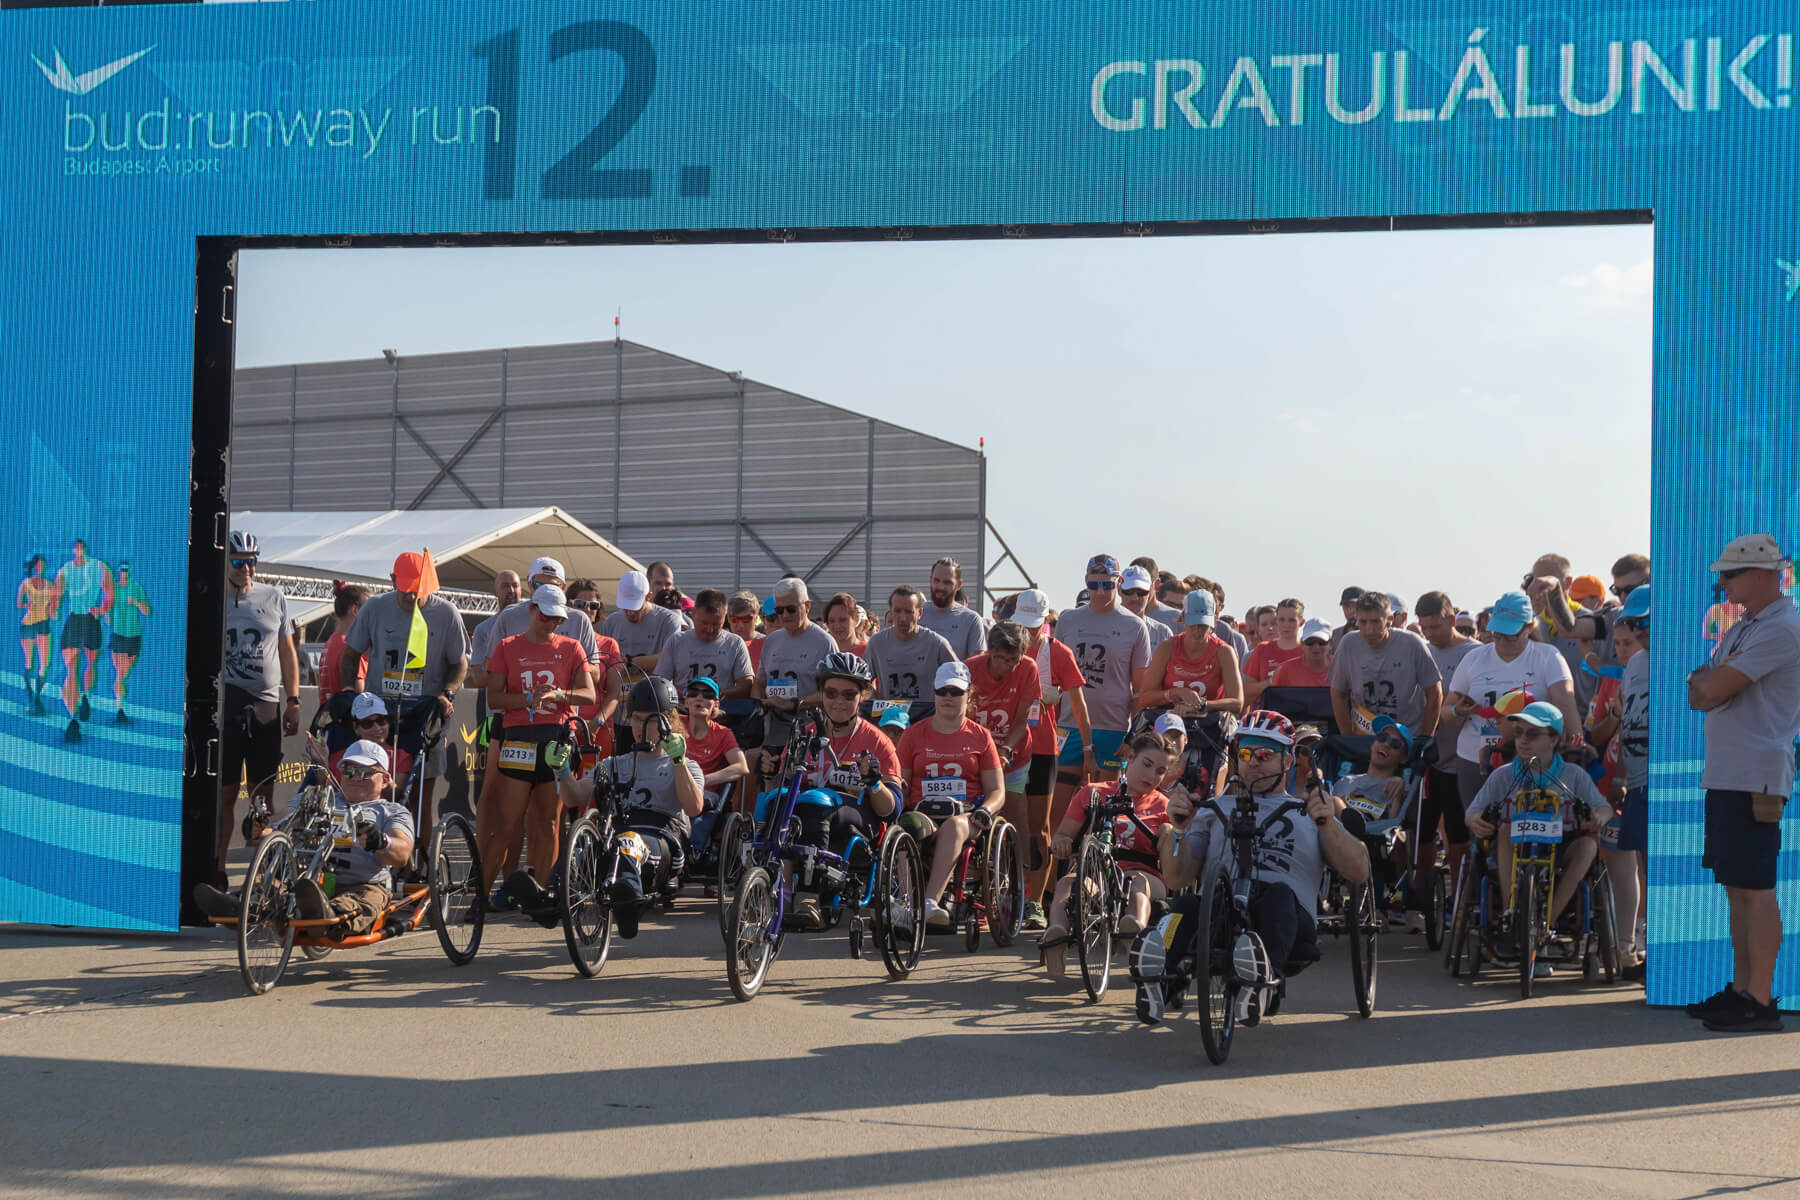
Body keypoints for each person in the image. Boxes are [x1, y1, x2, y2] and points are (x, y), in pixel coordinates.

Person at [1132, 709, 1371, 1025]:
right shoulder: (1212, 808)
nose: (1253, 761)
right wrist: (1178, 830)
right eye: (1245, 753)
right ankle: (1159, 979)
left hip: (1286, 920)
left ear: (1287, 761)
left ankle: (1258, 981)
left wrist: (1329, 826)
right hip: (1222, 913)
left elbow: (1360, 871)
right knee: (1188, 903)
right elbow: (1177, 877)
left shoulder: (1308, 810)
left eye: (1265, 754)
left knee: (1279, 897)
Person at [1684, 534, 1800, 1032]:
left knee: (1755, 888)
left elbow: (1707, 687)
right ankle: (1742, 988)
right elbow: (1700, 688)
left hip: (1755, 772)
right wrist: (1706, 683)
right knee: (1737, 886)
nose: (1722, 581)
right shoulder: (1749, 626)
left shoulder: (1781, 628)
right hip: (1734, 771)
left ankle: (1760, 995)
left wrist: (1708, 682)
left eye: (1730, 573)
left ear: (1761, 575)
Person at [195, 740, 418, 935]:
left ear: (386, 779)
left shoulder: (392, 811)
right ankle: (244, 906)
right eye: (349, 771)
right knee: (275, 889)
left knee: (353, 904)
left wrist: (381, 841)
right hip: (308, 882)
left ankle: (323, 914)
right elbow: (278, 826)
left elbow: (403, 852)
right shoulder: (316, 797)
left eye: (366, 772)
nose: (356, 777)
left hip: (363, 884)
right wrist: (258, 830)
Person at [759, 651, 903, 928]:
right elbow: (782, 791)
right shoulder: (805, 736)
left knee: (815, 803)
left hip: (858, 819)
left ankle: (808, 896)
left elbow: (892, 811)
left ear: (863, 696)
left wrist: (874, 783)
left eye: (849, 695)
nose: (839, 701)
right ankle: (777, 886)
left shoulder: (879, 741)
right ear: (821, 693)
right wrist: (769, 775)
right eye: (832, 692)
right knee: (781, 802)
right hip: (807, 817)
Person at [1464, 703, 1613, 965]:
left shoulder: (1573, 775)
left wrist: (1598, 816)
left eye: (1532, 735)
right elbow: (1472, 811)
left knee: (1588, 847)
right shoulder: (1503, 775)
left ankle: (1548, 923)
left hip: (1560, 849)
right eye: (1519, 733)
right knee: (1506, 827)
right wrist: (1476, 821)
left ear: (1554, 739)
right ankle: (1512, 915)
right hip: (1513, 849)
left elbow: (1604, 807)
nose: (1522, 740)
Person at [479, 584, 596, 905]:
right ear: (532, 610)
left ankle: (541, 893)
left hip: (556, 739)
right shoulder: (507, 646)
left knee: (549, 822)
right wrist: (529, 698)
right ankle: (482, 895)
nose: (551, 624)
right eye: (546, 616)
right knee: (506, 824)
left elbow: (589, 695)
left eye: (557, 619)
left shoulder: (572, 648)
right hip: (518, 739)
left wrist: (559, 694)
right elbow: (494, 697)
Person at [343, 551, 471, 843]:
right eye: (406, 591)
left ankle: (418, 866)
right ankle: (374, 857)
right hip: (380, 718)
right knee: (376, 792)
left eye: (419, 591)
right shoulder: (375, 607)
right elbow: (351, 655)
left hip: (426, 716)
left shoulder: (446, 613)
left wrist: (447, 693)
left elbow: (460, 662)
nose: (413, 598)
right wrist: (352, 692)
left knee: (419, 799)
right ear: (392, 581)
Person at [580, 676, 705, 937]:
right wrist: (561, 773)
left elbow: (693, 808)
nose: (641, 727)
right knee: (584, 842)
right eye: (636, 719)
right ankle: (549, 894)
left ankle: (629, 903)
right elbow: (574, 796)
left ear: (668, 723)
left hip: (663, 844)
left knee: (628, 842)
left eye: (649, 720)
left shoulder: (687, 765)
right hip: (619, 839)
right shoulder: (614, 764)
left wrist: (678, 762)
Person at [1040, 733, 1174, 976]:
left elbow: (1174, 853)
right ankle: (1056, 936)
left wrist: (1168, 833)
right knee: (1068, 884)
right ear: (1130, 758)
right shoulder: (1093, 792)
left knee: (1135, 883)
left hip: (1143, 872)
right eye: (1147, 764)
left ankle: (1135, 933)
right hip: (1096, 870)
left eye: (1160, 771)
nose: (1152, 776)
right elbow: (1063, 835)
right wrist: (1061, 843)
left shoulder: (1163, 805)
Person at [214, 530, 300, 878]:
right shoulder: (216, 597)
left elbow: (288, 652)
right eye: (238, 562)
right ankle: (217, 867)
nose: (245, 569)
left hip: (266, 702)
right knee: (225, 794)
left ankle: (263, 872)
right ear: (227, 563)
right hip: (231, 699)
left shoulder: (274, 596)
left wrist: (293, 700)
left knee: (262, 794)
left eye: (251, 562)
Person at [896, 661, 1006, 928]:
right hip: (924, 811)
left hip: (967, 815)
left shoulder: (981, 736)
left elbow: (997, 791)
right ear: (934, 692)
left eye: (955, 692)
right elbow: (902, 784)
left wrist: (986, 810)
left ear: (968, 695)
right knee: (905, 827)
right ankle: (905, 902)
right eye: (942, 690)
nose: (948, 697)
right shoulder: (913, 734)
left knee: (955, 827)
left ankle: (929, 903)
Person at [1445, 590, 1581, 804]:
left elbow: (1566, 704)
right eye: (1497, 633)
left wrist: (1573, 745)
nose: (1502, 641)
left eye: (1510, 634)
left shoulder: (1548, 656)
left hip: (1530, 761)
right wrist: (1457, 711)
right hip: (1474, 759)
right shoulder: (1474, 658)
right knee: (1478, 827)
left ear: (1529, 628)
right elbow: (1446, 712)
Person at [1052, 554, 1153, 822]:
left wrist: (1131, 737)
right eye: (1093, 585)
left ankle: (1095, 861)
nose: (1099, 592)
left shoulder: (1134, 625)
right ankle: (1057, 862)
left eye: (1107, 585)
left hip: (1112, 728)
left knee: (1103, 814)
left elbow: (1141, 692)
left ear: (1118, 583)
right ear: (1085, 583)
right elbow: (1053, 675)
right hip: (1069, 725)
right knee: (1059, 812)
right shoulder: (1068, 620)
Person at [1013, 588, 1087, 931]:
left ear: (1045, 622)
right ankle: (1007, 892)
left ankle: (1034, 901)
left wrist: (1088, 747)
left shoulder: (1058, 652)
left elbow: (1078, 701)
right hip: (1009, 745)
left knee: (1040, 826)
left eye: (1033, 626)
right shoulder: (1005, 645)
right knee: (1008, 822)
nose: (1027, 633)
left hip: (1043, 746)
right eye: (1022, 625)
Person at [1414, 591, 1479, 906]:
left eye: (1434, 627)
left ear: (1452, 621)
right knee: (1421, 833)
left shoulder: (1477, 653)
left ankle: (1460, 897)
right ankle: (1421, 895)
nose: (1428, 634)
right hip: (1427, 758)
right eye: (1423, 628)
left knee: (1458, 837)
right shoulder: (1422, 651)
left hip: (1462, 759)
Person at [966, 621, 1041, 865]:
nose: (1006, 666)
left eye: (1013, 660)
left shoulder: (1028, 669)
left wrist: (1005, 750)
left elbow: (1021, 721)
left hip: (1013, 752)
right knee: (974, 814)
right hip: (976, 752)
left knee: (1016, 813)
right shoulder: (969, 669)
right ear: (989, 651)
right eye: (999, 658)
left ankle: (1024, 880)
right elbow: (964, 720)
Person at [1606, 585, 1650, 983]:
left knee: (1657, 864)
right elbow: (1625, 722)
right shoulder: (1635, 664)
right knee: (1642, 862)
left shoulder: (1677, 660)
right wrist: (1620, 776)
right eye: (1635, 622)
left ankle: (1654, 945)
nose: (1640, 630)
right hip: (1635, 779)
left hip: (1664, 782)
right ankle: (1644, 943)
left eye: (1646, 621)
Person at [1328, 590, 1442, 743]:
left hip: (1406, 739)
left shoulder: (1412, 643)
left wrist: (1424, 739)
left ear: (1389, 619)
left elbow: (1435, 693)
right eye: (1363, 622)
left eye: (1375, 622)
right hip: (1364, 739)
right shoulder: (1348, 644)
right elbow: (1337, 693)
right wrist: (1348, 738)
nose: (1369, 629)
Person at [754, 576, 836, 768]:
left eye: (791, 609)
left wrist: (794, 703)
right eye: (779, 610)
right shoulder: (772, 640)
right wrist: (759, 705)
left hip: (807, 727)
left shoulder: (824, 642)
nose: (785, 615)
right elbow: (760, 683)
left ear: (807, 606)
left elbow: (832, 692)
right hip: (772, 728)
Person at [1135, 588, 1244, 722]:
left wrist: (1201, 706)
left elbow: (1237, 703)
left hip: (1207, 729)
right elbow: (1145, 698)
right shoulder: (1168, 648)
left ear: (1215, 620)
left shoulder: (1224, 652)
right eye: (1193, 623)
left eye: (1203, 624)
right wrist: (1174, 693)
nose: (1198, 630)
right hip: (1169, 726)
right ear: (1183, 618)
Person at [54, 538, 114, 741]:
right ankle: (72, 720)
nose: (78, 551)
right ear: (72, 550)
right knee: (71, 668)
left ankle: (86, 696)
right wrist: (52, 607)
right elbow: (57, 594)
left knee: (90, 664)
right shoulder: (65, 570)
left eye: (81, 548)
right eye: (75, 548)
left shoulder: (100, 567)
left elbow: (109, 594)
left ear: (85, 550)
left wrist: (102, 609)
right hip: (74, 620)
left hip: (90, 619)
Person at [653, 588, 754, 698]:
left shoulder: (735, 644)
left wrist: (716, 695)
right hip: (682, 710)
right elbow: (660, 684)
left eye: (716, 624)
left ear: (724, 616)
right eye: (704, 623)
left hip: (722, 710)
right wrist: (689, 694)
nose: (709, 629)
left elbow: (746, 685)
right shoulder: (676, 642)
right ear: (694, 613)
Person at [865, 585, 956, 703]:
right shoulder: (876, 643)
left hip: (926, 717)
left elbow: (958, 679)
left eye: (909, 612)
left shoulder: (937, 644)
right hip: (889, 717)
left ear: (920, 613)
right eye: (897, 611)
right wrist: (876, 702)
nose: (903, 618)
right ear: (891, 611)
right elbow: (863, 682)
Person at [601, 569, 683, 674]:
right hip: (618, 686)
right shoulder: (611, 622)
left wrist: (629, 661)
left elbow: (670, 658)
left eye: (636, 607)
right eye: (626, 606)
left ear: (649, 596)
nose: (630, 612)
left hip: (656, 687)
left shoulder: (670, 620)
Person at [97, 560, 149, 724]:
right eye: (121, 570)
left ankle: (120, 704)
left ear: (129, 571)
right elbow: (105, 611)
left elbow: (147, 611)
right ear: (119, 572)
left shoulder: (136, 588)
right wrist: (106, 615)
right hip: (118, 635)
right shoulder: (114, 590)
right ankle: (120, 707)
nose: (124, 572)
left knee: (123, 674)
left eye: (126, 569)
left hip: (133, 636)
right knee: (119, 673)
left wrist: (136, 602)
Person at [681, 677, 749, 797]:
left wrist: (702, 780)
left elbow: (741, 767)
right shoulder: (675, 722)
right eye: (693, 693)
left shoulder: (723, 733)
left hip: (703, 793)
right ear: (686, 701)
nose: (699, 697)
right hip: (672, 786)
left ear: (716, 704)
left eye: (707, 695)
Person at [919, 557, 986, 659]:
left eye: (947, 582)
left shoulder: (971, 620)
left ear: (958, 585)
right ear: (930, 580)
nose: (940, 587)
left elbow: (975, 667)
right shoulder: (915, 613)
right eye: (936, 580)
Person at [1243, 598, 1306, 705]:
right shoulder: (1262, 649)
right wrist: (1270, 682)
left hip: (1302, 714)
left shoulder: (1308, 650)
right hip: (1269, 716)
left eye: (1291, 620)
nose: (1286, 625)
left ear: (1301, 622)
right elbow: (1247, 692)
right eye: (1281, 620)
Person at [316, 582, 369, 700]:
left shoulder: (329, 643)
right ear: (355, 610)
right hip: (348, 715)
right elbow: (361, 696)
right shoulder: (352, 648)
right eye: (369, 610)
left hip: (330, 713)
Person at [16, 554, 55, 715]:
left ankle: (37, 698)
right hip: (28, 625)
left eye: (43, 565)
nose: (42, 567)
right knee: (29, 663)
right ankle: (31, 697)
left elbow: (54, 607)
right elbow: (19, 604)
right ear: (34, 566)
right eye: (39, 565)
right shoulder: (25, 584)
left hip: (43, 624)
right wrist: (27, 604)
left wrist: (53, 610)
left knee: (44, 664)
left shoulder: (50, 585)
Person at [1117, 565, 1174, 650]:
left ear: (1150, 590)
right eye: (1129, 591)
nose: (1135, 597)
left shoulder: (1162, 633)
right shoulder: (1105, 627)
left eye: (1141, 592)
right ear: (1119, 590)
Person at [1269, 618, 1333, 688]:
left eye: (1321, 642)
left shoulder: (1341, 667)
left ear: (1331, 644)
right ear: (1302, 644)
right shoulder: (1285, 670)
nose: (1316, 647)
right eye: (1310, 642)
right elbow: (1274, 696)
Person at [727, 591, 765, 672]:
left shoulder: (767, 645)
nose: (740, 625)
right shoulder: (722, 644)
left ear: (756, 619)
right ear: (728, 619)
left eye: (746, 619)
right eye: (735, 619)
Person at [823, 591, 867, 656]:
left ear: (856, 619)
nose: (837, 626)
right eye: (832, 621)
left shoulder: (869, 651)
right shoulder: (822, 652)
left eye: (842, 620)